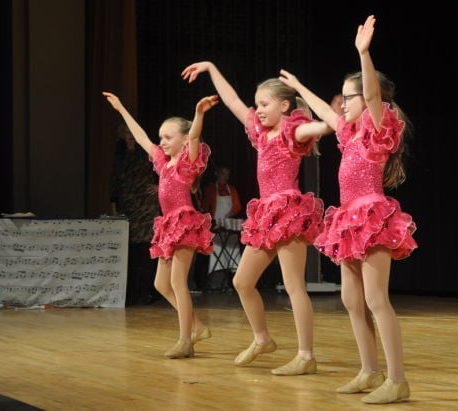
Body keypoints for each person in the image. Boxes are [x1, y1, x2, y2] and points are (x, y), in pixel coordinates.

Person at [279, 15, 417, 403]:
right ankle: (369, 371)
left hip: (372, 216)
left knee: (376, 300)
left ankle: (397, 379)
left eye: (349, 96)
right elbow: (325, 112)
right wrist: (300, 87)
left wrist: (363, 53)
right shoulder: (348, 132)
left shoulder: (378, 127)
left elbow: (372, 96)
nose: (343, 102)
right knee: (350, 300)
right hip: (347, 218)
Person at [181, 61, 332, 376]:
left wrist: (325, 110)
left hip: (288, 211)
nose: (258, 109)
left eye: (265, 104)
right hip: (266, 215)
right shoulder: (261, 133)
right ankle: (262, 338)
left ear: (284, 105)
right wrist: (211, 68)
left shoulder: (295, 130)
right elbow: (234, 101)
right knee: (241, 281)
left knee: (293, 286)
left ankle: (306, 356)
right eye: (258, 104)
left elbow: (327, 126)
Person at [103, 91, 219, 359]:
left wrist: (198, 114)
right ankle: (198, 327)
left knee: (178, 283)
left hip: (185, 223)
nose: (162, 142)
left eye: (168, 137)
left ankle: (185, 340)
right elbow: (142, 137)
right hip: (168, 225)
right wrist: (121, 108)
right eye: (162, 138)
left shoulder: (187, 164)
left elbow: (195, 136)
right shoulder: (162, 163)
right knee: (161, 285)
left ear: (182, 139)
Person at [109, 123, 160, 306]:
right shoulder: (120, 155)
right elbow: (115, 181)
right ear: (122, 135)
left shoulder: (144, 152)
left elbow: (165, 168)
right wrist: (114, 205)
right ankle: (132, 292)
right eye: (126, 133)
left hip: (146, 205)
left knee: (147, 247)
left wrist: (160, 186)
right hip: (129, 205)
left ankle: (147, 292)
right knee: (132, 249)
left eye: (132, 132)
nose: (130, 135)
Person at [201, 164, 243, 276]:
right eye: (223, 174)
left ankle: (231, 279)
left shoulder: (232, 189)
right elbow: (205, 207)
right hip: (215, 225)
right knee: (217, 251)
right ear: (217, 174)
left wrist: (228, 216)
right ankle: (217, 277)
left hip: (228, 224)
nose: (226, 177)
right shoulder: (210, 189)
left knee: (232, 252)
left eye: (227, 174)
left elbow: (237, 206)